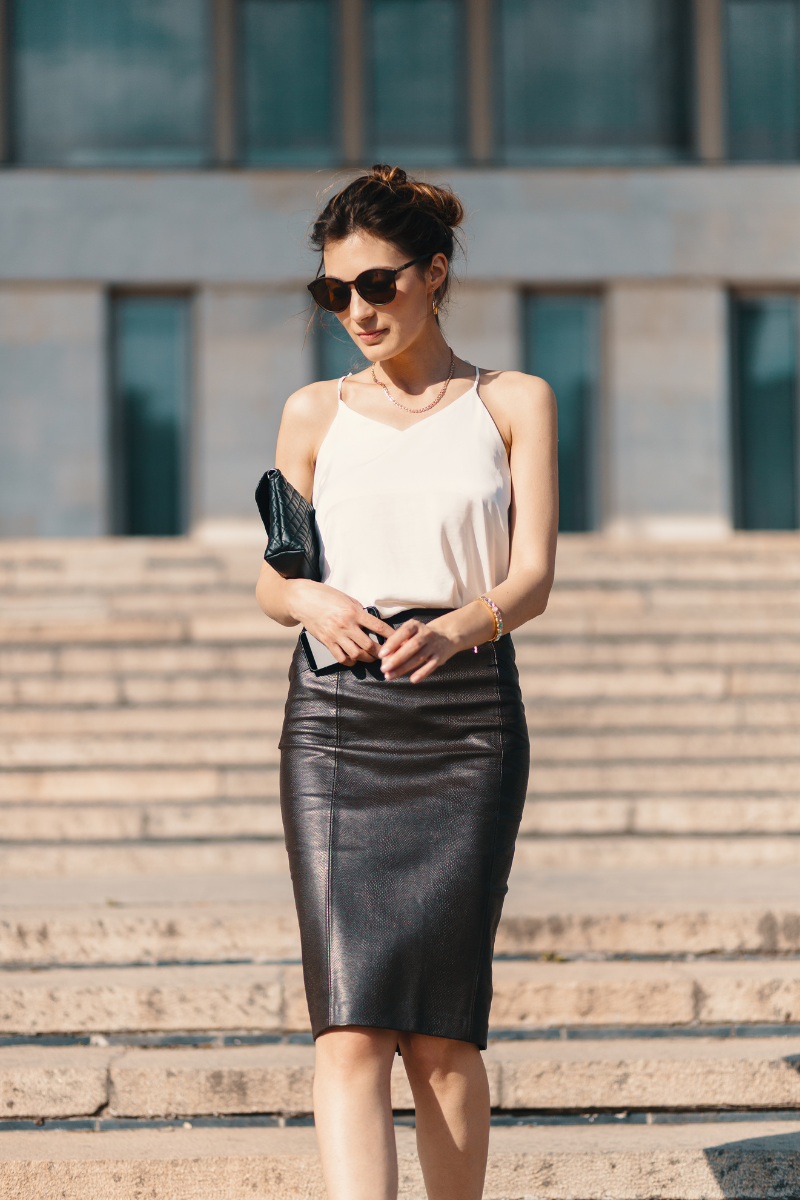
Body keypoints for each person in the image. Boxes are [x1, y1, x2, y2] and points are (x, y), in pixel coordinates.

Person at [256, 164, 558, 1200]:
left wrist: (459, 628)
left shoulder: (512, 402)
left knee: (438, 1031)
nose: (355, 311)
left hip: (466, 718)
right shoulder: (310, 412)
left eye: (375, 285)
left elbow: (529, 579)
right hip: (336, 720)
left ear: (432, 274)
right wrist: (311, 603)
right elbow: (271, 575)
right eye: (332, 292)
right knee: (347, 1025)